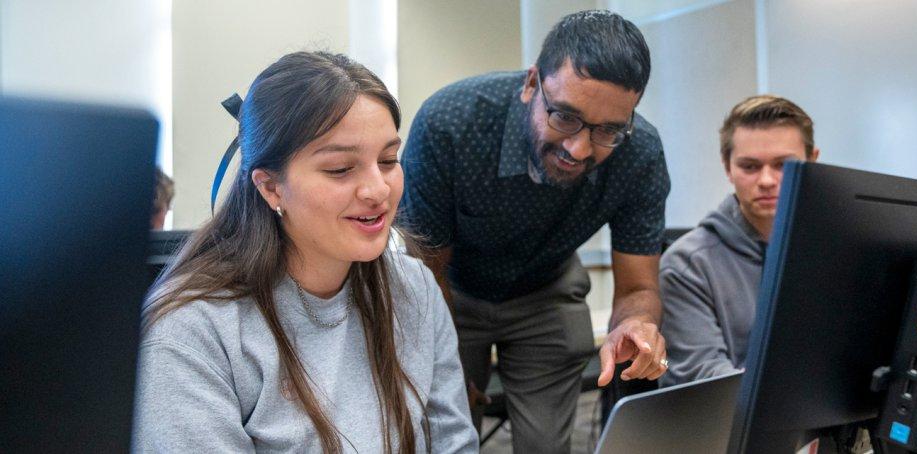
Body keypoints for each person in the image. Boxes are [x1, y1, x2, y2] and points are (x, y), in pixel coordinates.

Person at [133, 51, 478, 453]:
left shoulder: (413, 288)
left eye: (387, 160)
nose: (379, 190)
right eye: (340, 169)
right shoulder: (192, 331)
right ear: (271, 187)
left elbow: (453, 443)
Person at [399, 10, 670, 451]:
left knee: (545, 444)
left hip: (547, 288)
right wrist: (443, 365)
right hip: (448, 289)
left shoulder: (640, 154)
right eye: (565, 116)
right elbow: (424, 271)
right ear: (531, 85)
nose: (578, 148)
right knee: (444, 434)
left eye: (607, 130)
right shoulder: (450, 122)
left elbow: (639, 286)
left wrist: (637, 323)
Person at [659, 95, 820, 386]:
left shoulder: (833, 249)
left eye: (784, 165)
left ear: (813, 161)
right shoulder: (687, 264)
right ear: (727, 167)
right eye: (750, 166)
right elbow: (706, 380)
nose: (767, 180)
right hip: (730, 427)